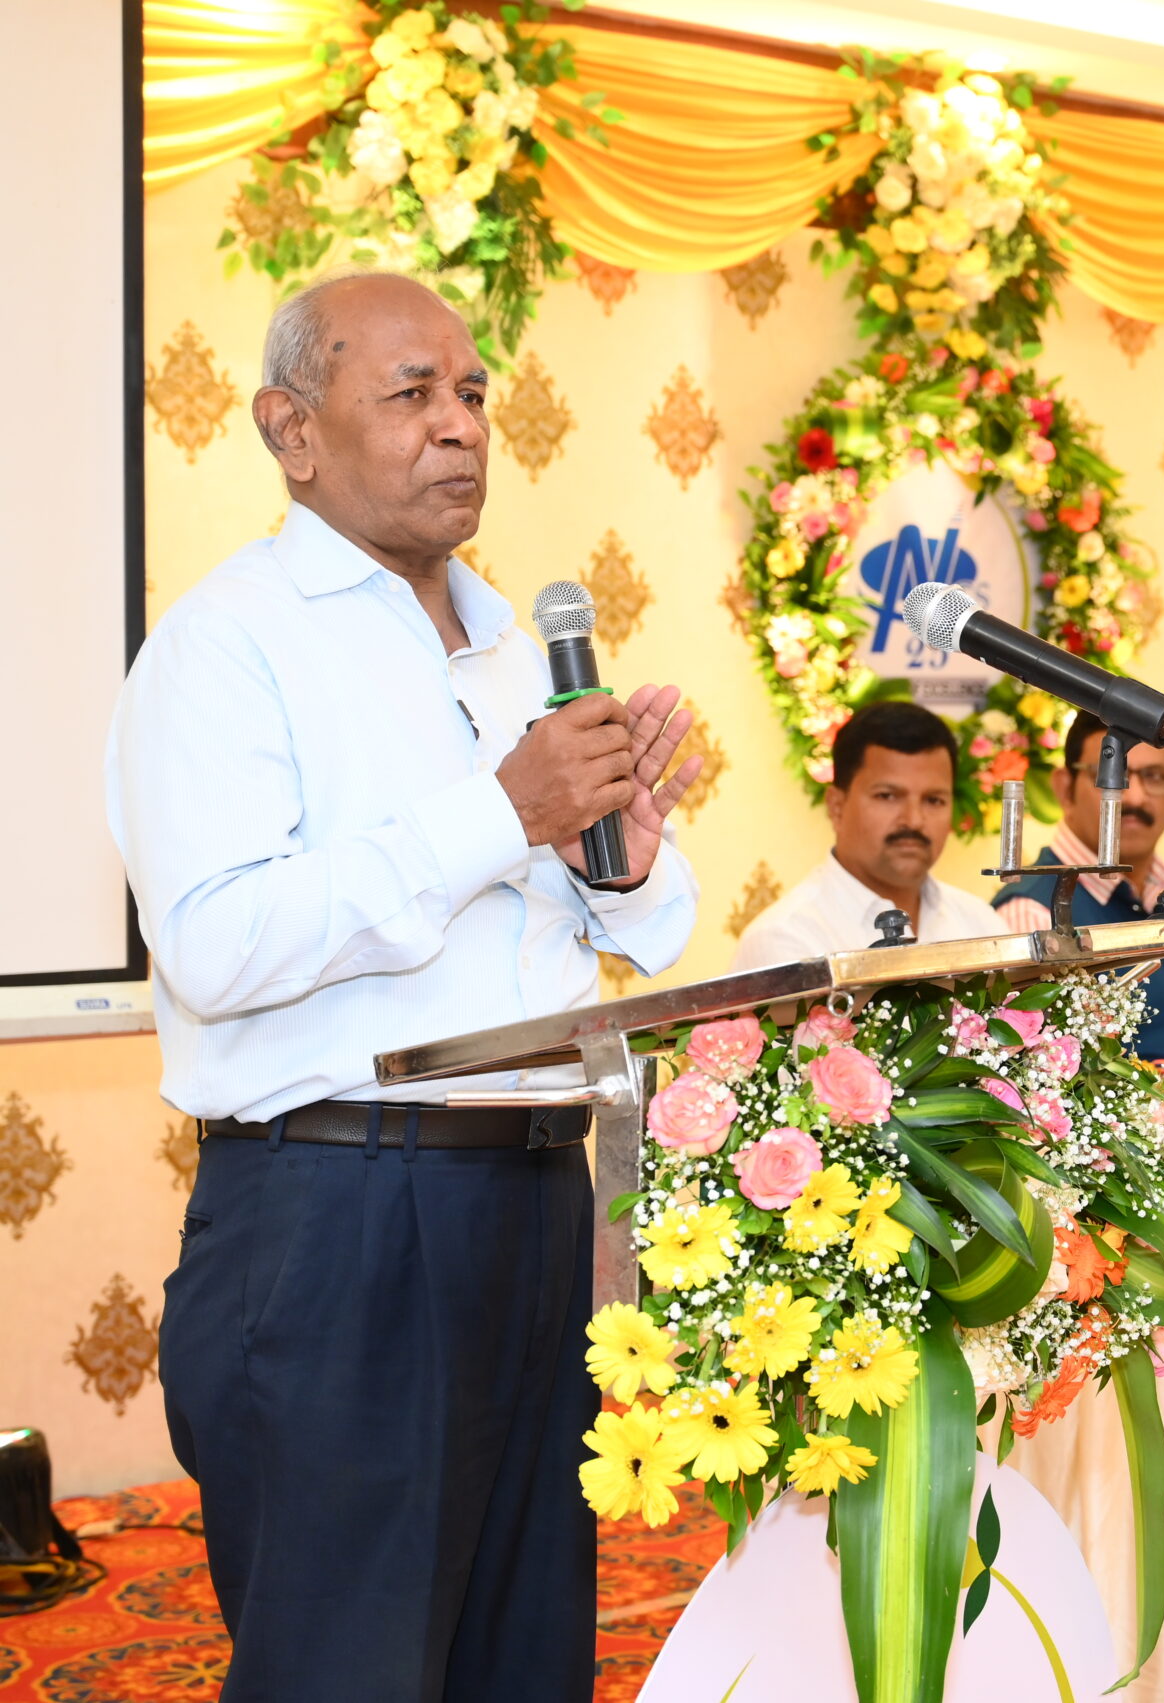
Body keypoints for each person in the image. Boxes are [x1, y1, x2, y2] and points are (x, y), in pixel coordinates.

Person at [106, 273, 702, 1703]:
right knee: (348, 1668)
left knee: (524, 1661)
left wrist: (618, 859)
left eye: (475, 393)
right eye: (413, 393)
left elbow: (598, 928)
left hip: (537, 1199)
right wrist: (501, 812)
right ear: (291, 430)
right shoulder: (227, 643)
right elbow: (215, 942)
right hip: (344, 1214)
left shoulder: (514, 651)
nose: (461, 426)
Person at [991, 710, 1164, 1058]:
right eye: (1111, 775)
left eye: (1156, 777)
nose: (1134, 797)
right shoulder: (1029, 914)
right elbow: (1037, 1076)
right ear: (1065, 789)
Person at [732, 700, 1005, 968]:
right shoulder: (786, 941)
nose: (914, 820)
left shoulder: (982, 926)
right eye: (887, 796)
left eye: (933, 800)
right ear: (837, 806)